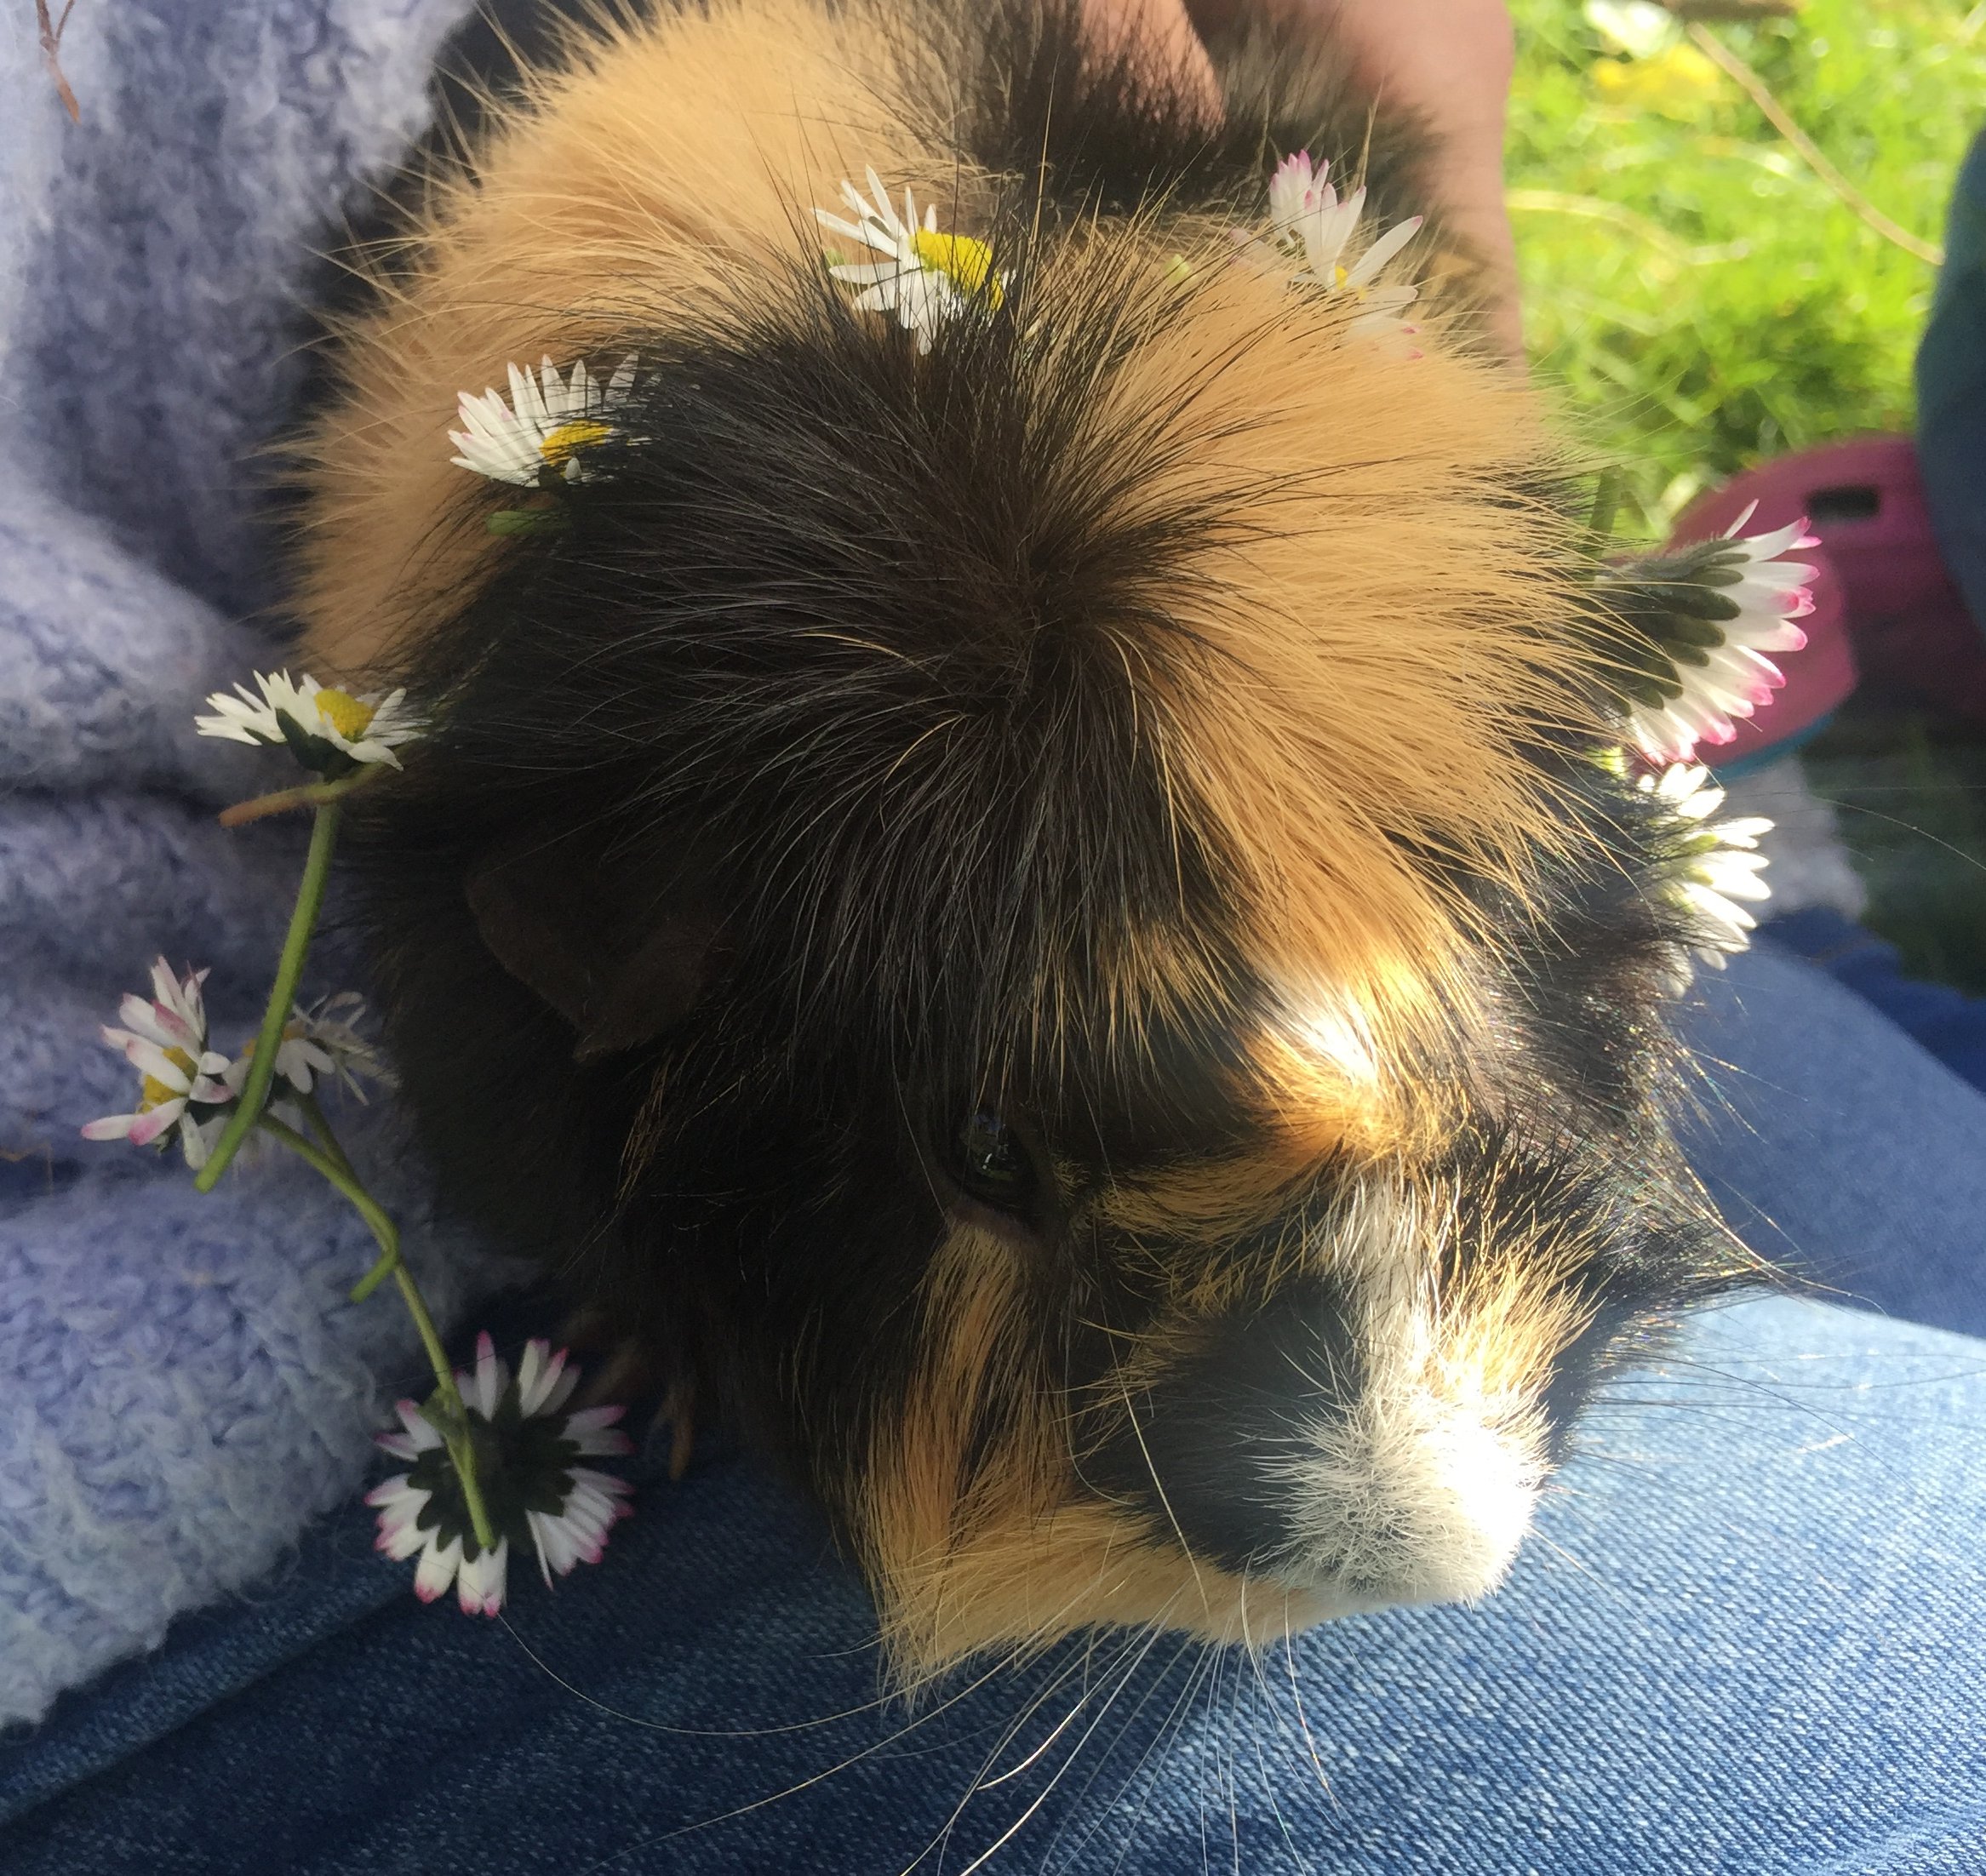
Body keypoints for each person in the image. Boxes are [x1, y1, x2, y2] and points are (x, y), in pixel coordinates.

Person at [1, 3, 1982, 1868]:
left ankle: (1814, 910)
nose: (1426, 1530)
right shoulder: (577, 857)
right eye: (1002, 1160)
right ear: (616, 951)